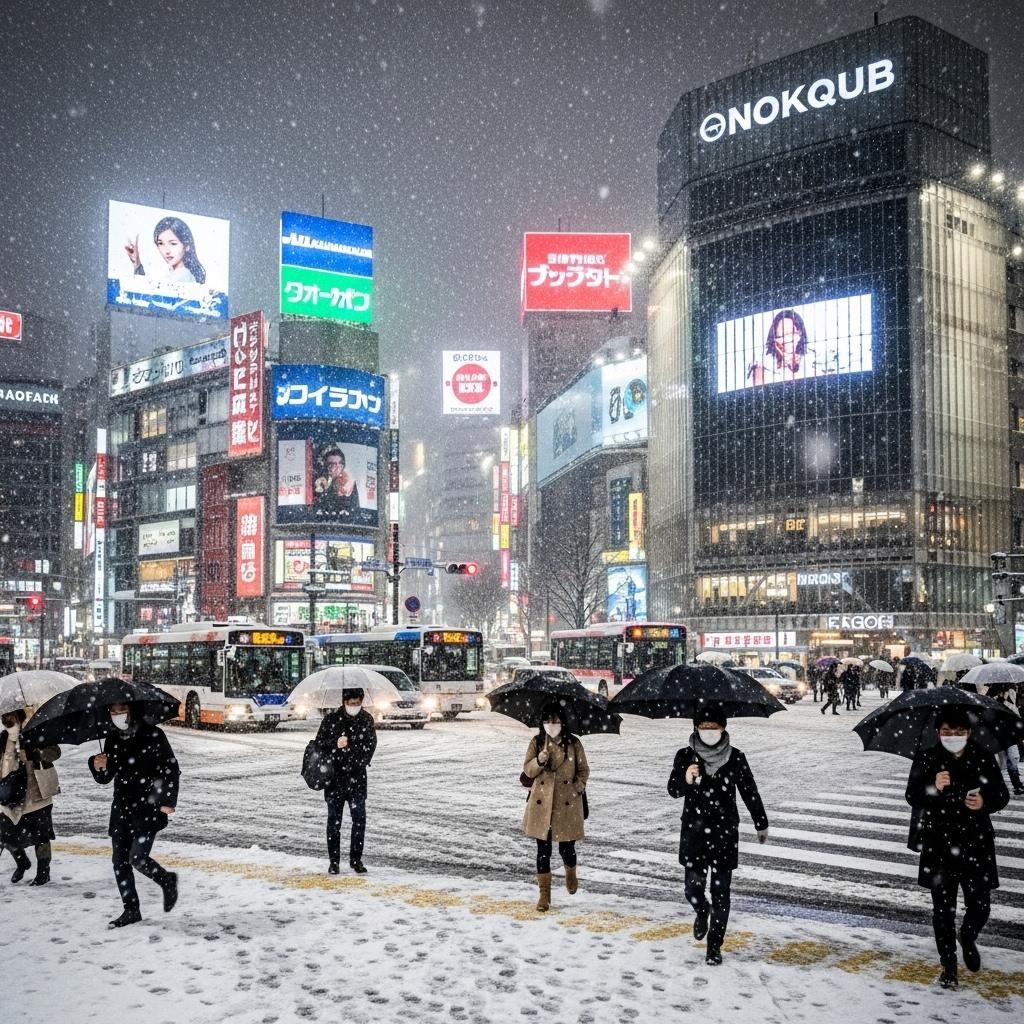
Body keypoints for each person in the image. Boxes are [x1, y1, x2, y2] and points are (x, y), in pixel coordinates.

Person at [905, 707, 1010, 990]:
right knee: (942, 910)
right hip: (939, 844)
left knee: (981, 905)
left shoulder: (983, 756)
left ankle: (968, 934)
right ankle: (948, 966)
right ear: (938, 733)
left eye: (959, 732)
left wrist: (984, 803)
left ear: (969, 733)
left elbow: (1002, 794)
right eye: (947, 732)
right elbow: (912, 795)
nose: (954, 737)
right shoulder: (928, 758)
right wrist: (933, 786)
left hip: (976, 843)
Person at [667, 706, 768, 965]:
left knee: (722, 892)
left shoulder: (735, 757)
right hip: (694, 832)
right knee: (692, 889)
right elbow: (672, 790)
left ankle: (714, 945)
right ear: (696, 728)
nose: (709, 731)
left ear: (724, 728)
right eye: (704, 726)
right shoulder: (685, 755)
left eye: (714, 727)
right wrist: (686, 778)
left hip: (724, 833)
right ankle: (702, 910)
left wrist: (761, 821)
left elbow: (749, 790)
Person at [88, 702, 180, 928]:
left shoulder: (153, 734)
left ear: (132, 710)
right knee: (119, 862)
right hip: (121, 807)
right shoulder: (111, 738)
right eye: (112, 711)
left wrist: (167, 801)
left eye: (121, 710)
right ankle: (131, 910)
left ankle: (166, 879)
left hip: (147, 806)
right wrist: (98, 765)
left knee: (137, 857)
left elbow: (170, 767)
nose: (117, 715)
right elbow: (105, 778)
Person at [521, 703, 590, 912]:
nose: (552, 725)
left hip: (567, 804)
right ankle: (544, 896)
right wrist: (539, 761)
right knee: (543, 851)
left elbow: (584, 769)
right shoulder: (537, 742)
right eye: (548, 721)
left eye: (556, 721)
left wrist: (577, 787)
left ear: (563, 722)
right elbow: (527, 770)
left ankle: (571, 872)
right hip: (542, 804)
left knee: (567, 849)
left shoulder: (573, 743)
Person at [313, 687, 377, 874]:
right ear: (344, 702)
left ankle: (356, 859)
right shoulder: (332, 719)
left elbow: (370, 747)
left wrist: (351, 750)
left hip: (357, 779)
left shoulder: (366, 719)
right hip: (334, 780)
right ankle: (334, 861)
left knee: (359, 820)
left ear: (362, 701)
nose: (354, 707)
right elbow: (319, 745)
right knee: (334, 822)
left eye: (357, 704)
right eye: (351, 704)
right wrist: (335, 743)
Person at [0, 708, 60, 886]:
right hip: (11, 795)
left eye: (9, 715)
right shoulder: (3, 738)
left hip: (37, 792)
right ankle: (22, 862)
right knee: (4, 834)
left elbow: (55, 752)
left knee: (42, 836)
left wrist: (36, 753)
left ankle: (44, 872)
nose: (5, 719)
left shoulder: (36, 730)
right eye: (3, 717)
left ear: (19, 715)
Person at [124, 216, 206, 283]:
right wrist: (137, 263)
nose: (167, 251)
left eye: (173, 243)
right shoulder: (172, 273)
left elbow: (150, 298)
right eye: (161, 243)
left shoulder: (183, 276)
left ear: (186, 245)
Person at [747, 309, 816, 386]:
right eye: (781, 336)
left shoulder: (812, 360)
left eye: (791, 333)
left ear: (800, 334)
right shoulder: (760, 367)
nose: (787, 340)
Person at [988, 686, 1024, 796]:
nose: (1006, 694)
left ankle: (1017, 785)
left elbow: (1017, 716)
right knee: (999, 764)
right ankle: (995, 786)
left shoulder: (1010, 704)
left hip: (1009, 737)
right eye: (1005, 692)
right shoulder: (990, 702)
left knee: (1012, 760)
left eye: (1007, 692)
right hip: (996, 738)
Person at [314, 446, 361, 515]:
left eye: (339, 464)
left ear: (343, 466)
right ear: (325, 466)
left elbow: (354, 509)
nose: (335, 468)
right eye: (331, 464)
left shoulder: (349, 484)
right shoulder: (318, 482)